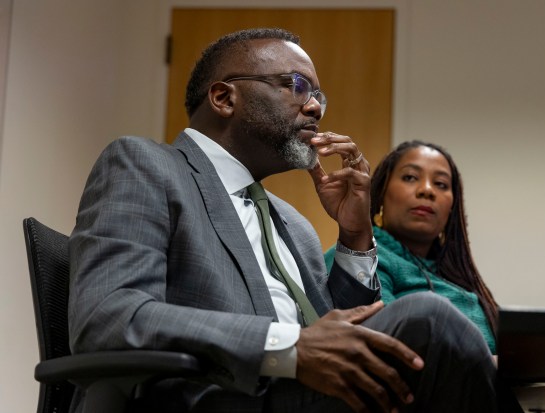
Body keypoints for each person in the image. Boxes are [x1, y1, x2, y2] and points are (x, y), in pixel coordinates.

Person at [68, 28, 498, 413]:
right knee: (428, 317)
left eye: (319, 97)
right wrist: (287, 346)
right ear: (223, 98)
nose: (314, 108)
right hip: (212, 396)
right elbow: (108, 316)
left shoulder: (294, 225)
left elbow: (344, 342)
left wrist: (355, 234)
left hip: (301, 395)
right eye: (296, 86)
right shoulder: (145, 166)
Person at [326, 140, 498, 353]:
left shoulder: (458, 275)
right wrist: (499, 368)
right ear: (381, 195)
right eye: (410, 177)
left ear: (452, 208)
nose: (427, 190)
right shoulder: (356, 260)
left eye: (441, 184)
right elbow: (388, 347)